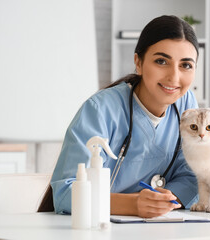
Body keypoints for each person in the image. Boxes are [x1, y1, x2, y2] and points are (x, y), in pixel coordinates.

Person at [50, 15, 199, 218]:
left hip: (160, 225)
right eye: (161, 61)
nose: (174, 77)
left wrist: (166, 199)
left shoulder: (186, 105)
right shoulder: (100, 109)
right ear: (138, 62)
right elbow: (65, 192)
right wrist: (133, 204)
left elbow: (192, 174)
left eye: (186, 65)